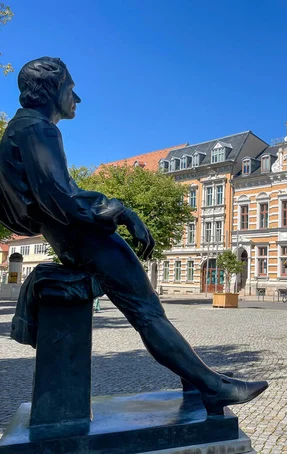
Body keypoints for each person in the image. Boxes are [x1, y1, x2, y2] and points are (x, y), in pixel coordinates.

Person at [0, 57, 267, 416]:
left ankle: (197, 377)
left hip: (70, 238)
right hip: (85, 238)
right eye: (71, 88)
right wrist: (121, 210)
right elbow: (60, 194)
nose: (76, 98)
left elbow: (47, 196)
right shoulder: (38, 130)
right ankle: (212, 387)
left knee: (148, 310)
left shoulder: (22, 129)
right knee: (148, 313)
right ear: (52, 90)